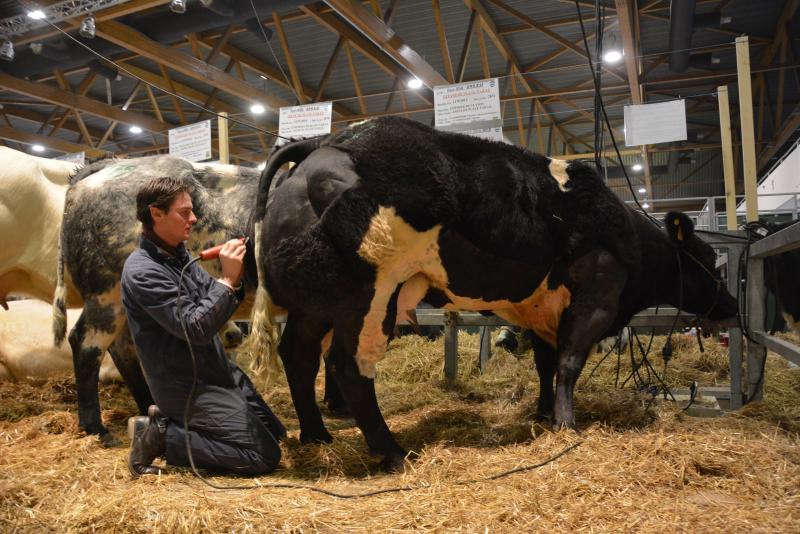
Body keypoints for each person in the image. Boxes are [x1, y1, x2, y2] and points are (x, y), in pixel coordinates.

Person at [121, 175, 285, 478]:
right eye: (184, 212)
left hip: (217, 372)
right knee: (262, 455)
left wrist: (236, 277)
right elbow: (195, 327)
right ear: (156, 214)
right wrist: (226, 280)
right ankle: (161, 434)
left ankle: (177, 428)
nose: (193, 219)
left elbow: (214, 307)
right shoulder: (143, 271)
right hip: (188, 385)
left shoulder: (177, 256)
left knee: (276, 434)